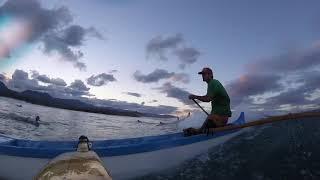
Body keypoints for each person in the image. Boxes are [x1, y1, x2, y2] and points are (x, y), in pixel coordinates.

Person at [184, 67, 232, 136]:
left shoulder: (213, 83)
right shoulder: (210, 84)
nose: (202, 76)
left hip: (221, 118)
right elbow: (208, 97)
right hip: (218, 117)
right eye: (202, 74)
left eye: (204, 74)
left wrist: (195, 96)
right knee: (210, 119)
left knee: (210, 118)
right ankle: (204, 129)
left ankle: (198, 131)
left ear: (210, 75)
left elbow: (207, 99)